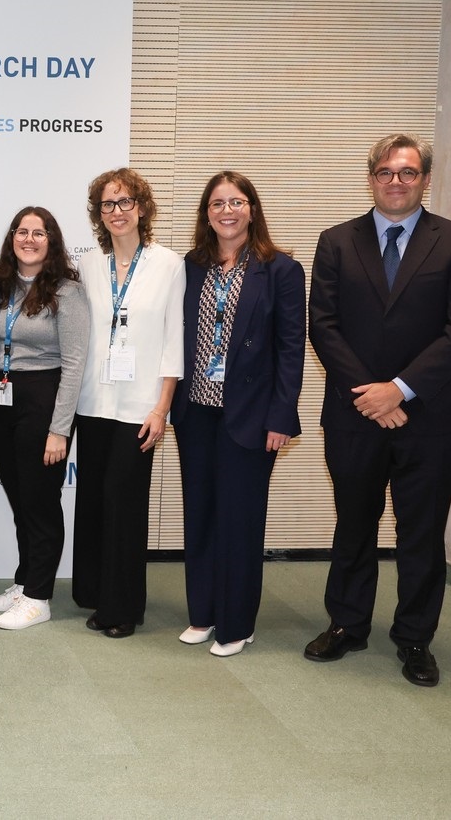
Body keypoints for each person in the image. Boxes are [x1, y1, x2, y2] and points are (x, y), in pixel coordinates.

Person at [304, 134, 451, 687]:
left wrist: (400, 389)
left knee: (420, 532)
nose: (396, 181)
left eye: (407, 172)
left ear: (425, 179)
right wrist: (372, 394)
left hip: (430, 416)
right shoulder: (336, 241)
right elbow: (323, 327)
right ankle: (348, 624)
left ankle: (414, 638)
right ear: (371, 178)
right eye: (385, 172)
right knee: (353, 524)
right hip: (356, 413)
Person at [170, 172, 305, 657]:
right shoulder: (190, 266)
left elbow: (291, 351)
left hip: (250, 415)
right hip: (196, 412)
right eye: (217, 203)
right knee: (200, 515)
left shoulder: (281, 270)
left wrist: (281, 417)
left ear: (252, 209)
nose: (227, 211)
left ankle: (237, 623)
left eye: (237, 201)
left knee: (240, 520)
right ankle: (203, 613)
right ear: (206, 213)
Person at [72, 168, 184, 638]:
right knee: (94, 503)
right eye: (107, 204)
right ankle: (95, 592)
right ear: (99, 215)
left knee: (125, 507)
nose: (116, 212)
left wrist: (161, 409)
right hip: (93, 402)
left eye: (125, 202)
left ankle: (122, 609)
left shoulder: (168, 264)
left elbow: (172, 342)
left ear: (141, 207)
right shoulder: (90, 267)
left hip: (139, 407)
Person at [0, 207, 89, 631]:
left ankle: (40, 596)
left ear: (52, 240)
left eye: (38, 233)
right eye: (22, 232)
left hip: (44, 398)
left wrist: (60, 429)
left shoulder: (66, 291)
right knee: (20, 499)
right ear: (11, 238)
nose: (29, 239)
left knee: (41, 502)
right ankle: (26, 581)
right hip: (0, 395)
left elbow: (75, 363)